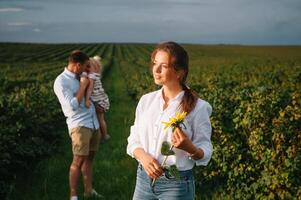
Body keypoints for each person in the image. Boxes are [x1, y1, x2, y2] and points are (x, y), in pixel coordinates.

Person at [127, 41, 213, 200]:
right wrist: (144, 158)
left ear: (179, 72)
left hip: (176, 184)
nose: (156, 70)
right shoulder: (146, 101)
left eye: (164, 66)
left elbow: (206, 150)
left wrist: (190, 148)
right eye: (155, 64)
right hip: (144, 179)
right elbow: (134, 139)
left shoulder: (199, 107)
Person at [53, 50, 103, 200]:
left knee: (89, 159)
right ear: (77, 65)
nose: (87, 69)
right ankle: (73, 195)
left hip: (93, 122)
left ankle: (88, 191)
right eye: (85, 66)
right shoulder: (61, 82)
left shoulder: (81, 76)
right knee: (78, 160)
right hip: (80, 125)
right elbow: (72, 105)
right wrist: (82, 86)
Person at [82, 56, 110, 143]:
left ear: (95, 68)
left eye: (88, 67)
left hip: (98, 103)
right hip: (102, 101)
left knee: (99, 120)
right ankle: (103, 135)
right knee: (100, 119)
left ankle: (104, 136)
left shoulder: (91, 76)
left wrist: (86, 99)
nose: (86, 69)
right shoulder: (96, 75)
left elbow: (90, 89)